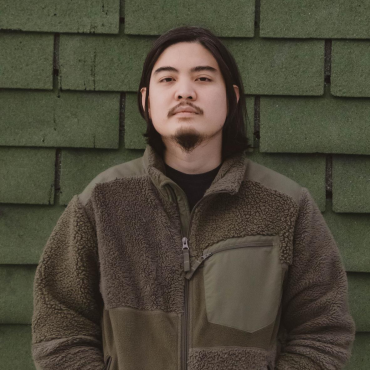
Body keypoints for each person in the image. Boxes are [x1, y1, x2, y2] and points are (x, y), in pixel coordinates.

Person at [31, 26, 355, 370]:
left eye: (202, 79)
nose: (184, 92)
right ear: (146, 101)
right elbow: (59, 328)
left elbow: (324, 333)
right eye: (167, 80)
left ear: (232, 98)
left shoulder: (286, 207)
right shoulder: (101, 203)